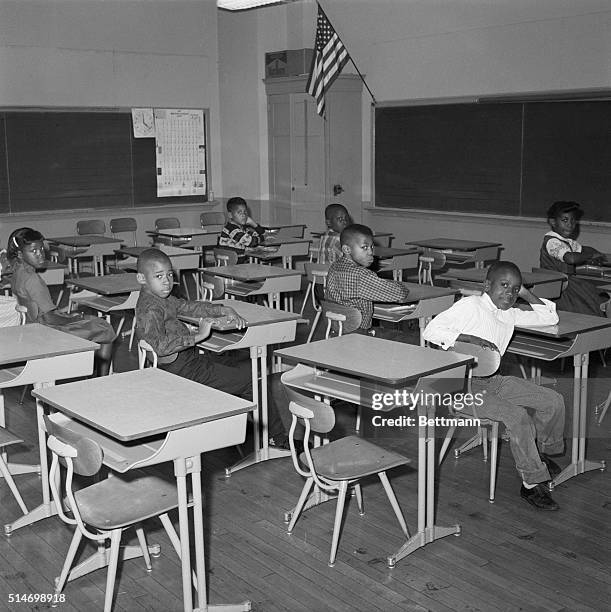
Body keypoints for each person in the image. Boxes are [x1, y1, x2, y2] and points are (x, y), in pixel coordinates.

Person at [423, 261, 566, 510]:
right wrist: (466, 337)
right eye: (504, 286)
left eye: (515, 289)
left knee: (553, 400)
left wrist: (526, 293)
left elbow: (549, 317)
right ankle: (531, 484)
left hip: (495, 381)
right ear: (487, 285)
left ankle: (538, 452)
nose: (509, 293)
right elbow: (432, 330)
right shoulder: (471, 305)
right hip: (463, 388)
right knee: (518, 417)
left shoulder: (508, 312)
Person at [135, 248, 290, 444]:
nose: (166, 281)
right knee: (253, 377)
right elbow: (158, 345)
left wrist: (222, 309)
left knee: (238, 360)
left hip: (186, 363)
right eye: (159, 276)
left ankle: (241, 421)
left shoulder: (159, 299)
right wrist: (198, 336)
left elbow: (187, 306)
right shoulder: (151, 307)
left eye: (169, 275)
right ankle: (276, 437)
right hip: (183, 370)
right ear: (141, 278)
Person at [7, 227, 116, 376]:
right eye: (33, 251)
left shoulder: (18, 272)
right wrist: (77, 317)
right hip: (48, 333)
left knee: (92, 323)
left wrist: (71, 317)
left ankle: (91, 371)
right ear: (20, 254)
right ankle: (102, 378)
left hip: (32, 328)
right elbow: (50, 318)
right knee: (105, 328)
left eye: (41, 250)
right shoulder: (33, 280)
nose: (40, 255)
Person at [325, 224, 410, 335]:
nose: (370, 252)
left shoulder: (334, 267)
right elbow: (399, 293)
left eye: (371, 247)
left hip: (335, 329)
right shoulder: (361, 275)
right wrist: (402, 286)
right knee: (406, 338)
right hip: (358, 333)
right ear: (346, 249)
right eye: (364, 247)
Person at [540, 200, 608, 317]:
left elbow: (584, 250)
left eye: (573, 220)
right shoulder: (552, 241)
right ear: (553, 222)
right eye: (565, 220)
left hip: (567, 282)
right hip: (557, 286)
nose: (570, 224)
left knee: (597, 297)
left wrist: (600, 255)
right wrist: (591, 256)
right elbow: (570, 258)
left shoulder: (568, 242)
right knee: (589, 304)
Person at [217, 197, 267, 261]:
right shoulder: (232, 230)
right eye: (239, 212)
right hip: (232, 265)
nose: (243, 215)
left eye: (245, 212)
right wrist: (263, 238)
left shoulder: (241, 229)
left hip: (239, 263)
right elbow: (252, 242)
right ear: (230, 215)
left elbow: (261, 233)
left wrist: (254, 224)